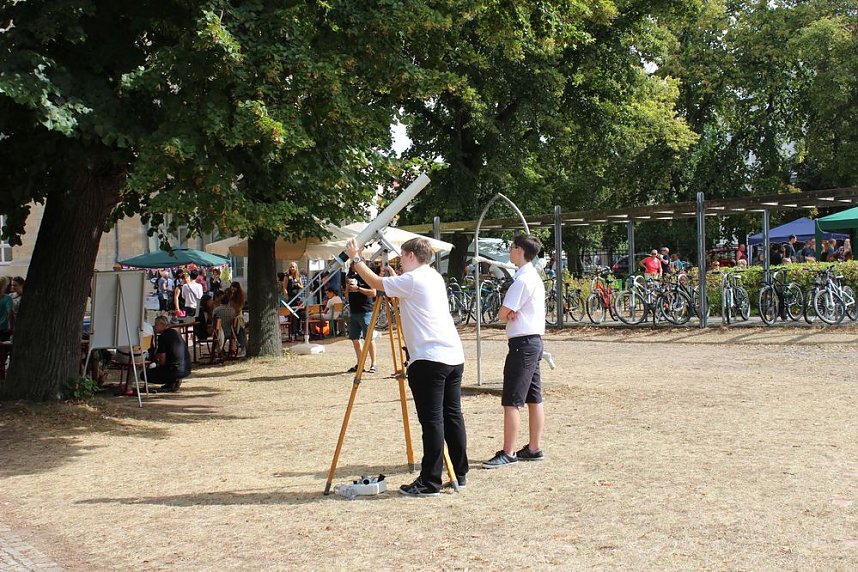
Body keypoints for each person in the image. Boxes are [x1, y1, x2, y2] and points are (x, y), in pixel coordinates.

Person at [345, 236, 467, 496]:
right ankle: (459, 472)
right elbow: (397, 289)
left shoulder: (412, 280)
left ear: (412, 255)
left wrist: (357, 259)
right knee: (452, 415)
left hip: (430, 359)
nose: (399, 261)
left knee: (432, 420)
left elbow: (377, 283)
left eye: (402, 256)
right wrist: (393, 277)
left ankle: (430, 481)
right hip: (453, 356)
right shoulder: (433, 276)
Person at [483, 234, 546, 469]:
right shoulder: (533, 277)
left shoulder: (522, 280)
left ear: (520, 251)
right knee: (533, 397)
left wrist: (506, 313)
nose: (510, 251)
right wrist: (508, 312)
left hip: (522, 345)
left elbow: (502, 313)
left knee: (511, 400)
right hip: (533, 341)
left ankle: (509, 452)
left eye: (511, 248)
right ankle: (533, 447)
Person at [345, 260, 376, 373]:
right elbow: (347, 296)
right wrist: (348, 288)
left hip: (366, 310)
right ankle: (360, 364)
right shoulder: (350, 276)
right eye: (352, 264)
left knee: (369, 338)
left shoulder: (367, 276)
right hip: (354, 311)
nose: (353, 265)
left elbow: (373, 292)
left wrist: (358, 288)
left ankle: (373, 364)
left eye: (355, 263)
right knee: (355, 339)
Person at [148, 316, 191, 392]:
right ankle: (172, 381)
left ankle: (171, 380)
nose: (154, 327)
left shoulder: (162, 337)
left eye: (156, 324)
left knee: (145, 374)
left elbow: (162, 360)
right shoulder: (175, 333)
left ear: (162, 325)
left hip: (175, 369)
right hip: (186, 367)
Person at [0, 276, 14, 342]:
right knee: (4, 349)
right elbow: (10, 313)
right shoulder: (7, 298)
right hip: (3, 329)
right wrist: (11, 327)